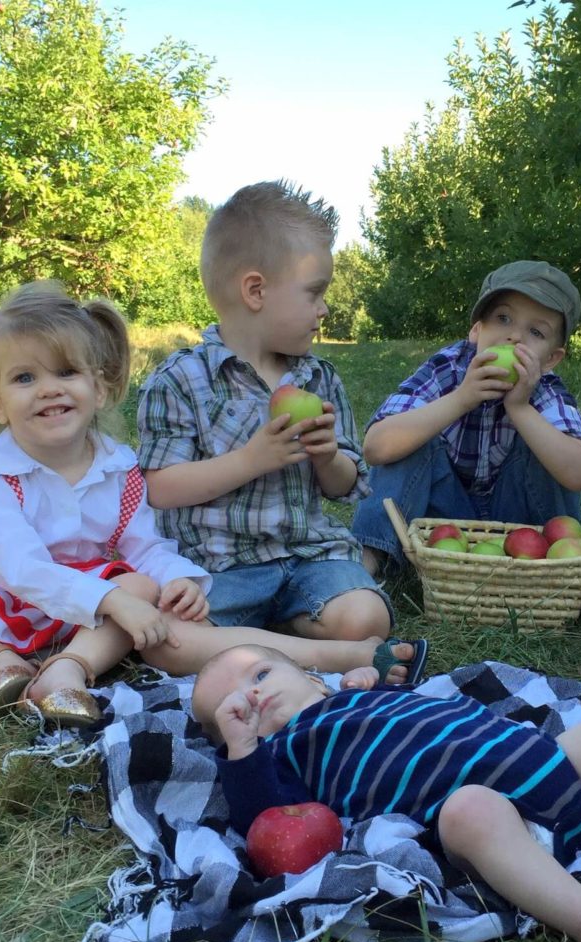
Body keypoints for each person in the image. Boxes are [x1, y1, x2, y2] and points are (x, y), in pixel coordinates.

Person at [0, 283, 426, 729]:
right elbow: (19, 568)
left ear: (100, 386)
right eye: (24, 379)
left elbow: (145, 545)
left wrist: (180, 580)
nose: (48, 390)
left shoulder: (119, 467)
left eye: (65, 372)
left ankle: (69, 670)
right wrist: (114, 602)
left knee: (140, 583)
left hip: (90, 622)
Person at [192, 644, 581, 942]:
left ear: (313, 675)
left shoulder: (362, 696)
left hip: (546, 765)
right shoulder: (286, 753)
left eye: (260, 673)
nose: (252, 694)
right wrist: (243, 751)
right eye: (233, 708)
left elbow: (398, 676)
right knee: (467, 810)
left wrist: (367, 676)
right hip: (508, 827)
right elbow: (265, 824)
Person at [137, 180, 391, 642]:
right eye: (314, 293)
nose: (325, 308)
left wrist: (327, 456)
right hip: (218, 567)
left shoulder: (318, 379)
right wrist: (251, 460)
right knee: (168, 637)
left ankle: (270, 629)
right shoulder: (180, 379)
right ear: (256, 290)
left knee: (368, 618)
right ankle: (309, 644)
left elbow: (345, 484)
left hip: (308, 560)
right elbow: (160, 488)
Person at [352, 260, 581, 576]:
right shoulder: (447, 369)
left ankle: (558, 568)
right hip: (443, 515)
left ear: (551, 358)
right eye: (503, 318)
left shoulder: (546, 388)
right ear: (476, 330)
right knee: (410, 438)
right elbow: (376, 447)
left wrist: (520, 409)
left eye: (536, 331)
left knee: (550, 446)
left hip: (521, 524)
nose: (515, 337)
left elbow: (578, 473)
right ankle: (367, 560)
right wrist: (462, 398)